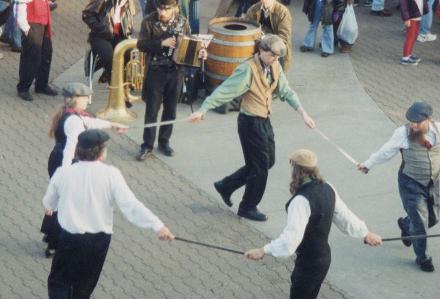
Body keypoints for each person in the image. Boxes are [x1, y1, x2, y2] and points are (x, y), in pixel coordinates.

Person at [44, 129, 175, 299]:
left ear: (79, 151)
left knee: (59, 282)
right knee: (85, 283)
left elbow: (49, 201)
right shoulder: (111, 174)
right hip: (99, 240)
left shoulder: (64, 173)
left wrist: (51, 206)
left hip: (70, 238)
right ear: (101, 152)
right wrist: (158, 226)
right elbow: (131, 206)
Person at [245, 149, 382, 299]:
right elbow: (344, 217)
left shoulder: (300, 201)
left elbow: (290, 241)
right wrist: (365, 233)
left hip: (309, 264)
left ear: (297, 171)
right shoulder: (328, 188)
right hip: (322, 259)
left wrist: (263, 250)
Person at [188, 34, 315, 222]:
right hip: (250, 123)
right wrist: (203, 110)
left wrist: (303, 113)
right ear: (262, 51)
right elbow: (225, 90)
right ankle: (248, 206)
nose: (276, 60)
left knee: (268, 161)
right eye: (273, 56)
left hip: (264, 120)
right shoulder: (247, 69)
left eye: (278, 57)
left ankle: (226, 185)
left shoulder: (275, 65)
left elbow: (286, 90)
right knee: (260, 167)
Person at [357, 101, 440, 272]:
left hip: (432, 182)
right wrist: (368, 164)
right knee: (420, 222)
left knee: (434, 218)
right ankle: (423, 258)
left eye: (417, 122)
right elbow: (386, 151)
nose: (413, 125)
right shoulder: (402, 133)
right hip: (410, 182)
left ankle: (405, 224)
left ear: (429, 120)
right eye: (411, 121)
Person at [40, 82, 127, 258]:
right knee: (66, 203)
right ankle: (56, 242)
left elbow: (90, 122)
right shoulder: (73, 121)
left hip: (57, 160)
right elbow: (70, 149)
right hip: (66, 163)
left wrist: (112, 124)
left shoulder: (71, 115)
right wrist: (64, 176)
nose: (88, 101)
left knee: (61, 202)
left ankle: (52, 239)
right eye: (85, 98)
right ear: (75, 99)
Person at [136, 0, 205, 160]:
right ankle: (147, 145)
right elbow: (141, 44)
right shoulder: (149, 21)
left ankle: (164, 142)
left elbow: (190, 45)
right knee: (152, 111)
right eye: (159, 8)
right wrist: (161, 43)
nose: (162, 12)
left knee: (171, 111)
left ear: (174, 7)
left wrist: (200, 54)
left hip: (175, 72)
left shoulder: (183, 22)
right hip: (155, 72)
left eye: (166, 9)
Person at [82, 0, 137, 84]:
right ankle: (114, 82)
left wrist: (127, 29)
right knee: (109, 57)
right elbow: (87, 15)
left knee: (130, 52)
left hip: (119, 35)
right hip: (101, 36)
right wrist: (102, 29)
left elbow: (129, 18)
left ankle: (116, 77)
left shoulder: (128, 2)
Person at [15, 0, 58, 101]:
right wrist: (25, 27)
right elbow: (20, 4)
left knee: (46, 53)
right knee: (31, 57)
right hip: (32, 23)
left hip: (43, 20)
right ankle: (23, 88)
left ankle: (41, 85)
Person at [244, 0, 293, 71]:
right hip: (259, 50)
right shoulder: (253, 10)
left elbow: (284, 37)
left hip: (278, 52)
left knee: (277, 79)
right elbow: (247, 31)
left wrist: (265, 40)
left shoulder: (283, 12)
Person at [400, 0, 428, 65]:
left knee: (414, 36)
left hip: (417, 16)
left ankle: (409, 54)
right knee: (410, 37)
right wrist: (406, 18)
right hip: (411, 17)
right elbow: (403, 6)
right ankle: (405, 58)